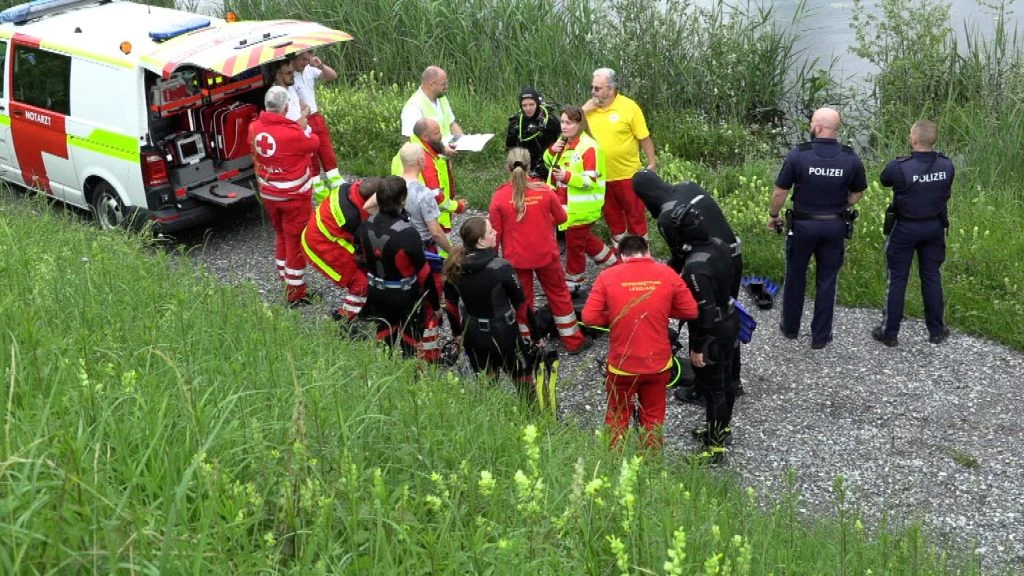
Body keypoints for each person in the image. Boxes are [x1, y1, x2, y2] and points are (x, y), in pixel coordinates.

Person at [632, 170, 745, 399]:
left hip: (707, 267)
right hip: (731, 256)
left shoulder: (667, 216)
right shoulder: (689, 186)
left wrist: (657, 281)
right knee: (726, 314)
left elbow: (680, 258)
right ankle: (733, 382)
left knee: (701, 319)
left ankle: (703, 388)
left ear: (644, 198)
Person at [581, 236, 698, 448]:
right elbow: (690, 310)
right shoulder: (666, 273)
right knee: (653, 418)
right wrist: (658, 310)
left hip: (622, 366)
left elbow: (589, 317)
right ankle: (650, 468)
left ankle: (613, 467)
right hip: (658, 364)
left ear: (621, 255)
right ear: (648, 251)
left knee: (617, 415)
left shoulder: (608, 276)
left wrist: (617, 316)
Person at [768, 107, 867, 349]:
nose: (811, 126)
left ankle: (790, 328)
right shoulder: (850, 157)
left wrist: (773, 215)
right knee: (827, 280)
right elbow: (858, 192)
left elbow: (781, 190)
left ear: (819, 127)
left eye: (812, 122)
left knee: (795, 276)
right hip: (834, 225)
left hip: (802, 225)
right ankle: (820, 337)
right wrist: (841, 205)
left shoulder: (799, 155)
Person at [490, 147, 592, 355]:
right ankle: (573, 341)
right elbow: (563, 219)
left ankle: (529, 344)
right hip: (546, 255)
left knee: (522, 301)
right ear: (529, 167)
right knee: (559, 295)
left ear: (507, 168)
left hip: (516, 259)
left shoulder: (499, 197)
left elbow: (494, 237)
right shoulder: (544, 191)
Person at [872, 120, 955, 346]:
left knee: (897, 278)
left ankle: (889, 333)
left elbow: (883, 180)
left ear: (914, 139)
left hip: (905, 228)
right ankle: (937, 331)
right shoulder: (947, 165)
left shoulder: (900, 166)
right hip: (934, 228)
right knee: (931, 276)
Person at [670, 203, 741, 465]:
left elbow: (706, 311)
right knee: (727, 382)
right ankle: (719, 430)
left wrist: (698, 346)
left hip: (714, 329)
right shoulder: (720, 245)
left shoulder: (695, 267)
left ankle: (714, 449)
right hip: (731, 318)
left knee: (714, 389)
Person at [443, 216, 535, 396]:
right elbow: (522, 306)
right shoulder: (501, 267)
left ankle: (494, 420)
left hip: (473, 334)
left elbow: (450, 306)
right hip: (504, 333)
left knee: (488, 386)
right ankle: (531, 417)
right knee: (522, 380)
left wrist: (457, 335)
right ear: (481, 241)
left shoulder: (454, 265)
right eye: (491, 232)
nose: (495, 234)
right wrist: (536, 336)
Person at [356, 176, 441, 361]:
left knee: (383, 340)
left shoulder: (366, 225)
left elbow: (361, 257)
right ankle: (410, 381)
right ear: (402, 200)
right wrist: (434, 305)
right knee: (410, 346)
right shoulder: (408, 233)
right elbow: (424, 273)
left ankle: (382, 377)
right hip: (404, 297)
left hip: (376, 293)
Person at [248, 86, 320, 306]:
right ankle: (296, 292)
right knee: (295, 241)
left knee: (280, 235)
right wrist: (305, 128)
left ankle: (285, 279)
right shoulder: (293, 132)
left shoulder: (254, 128)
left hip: (269, 195)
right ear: (286, 107)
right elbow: (314, 144)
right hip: (294, 198)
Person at [544, 105, 618, 294]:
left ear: (579, 124)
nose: (564, 126)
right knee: (583, 240)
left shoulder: (589, 148)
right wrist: (552, 150)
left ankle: (574, 280)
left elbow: (590, 180)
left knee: (575, 244)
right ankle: (613, 264)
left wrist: (567, 177)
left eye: (568, 123)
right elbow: (547, 163)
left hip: (582, 207)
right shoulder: (564, 142)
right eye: (562, 122)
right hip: (566, 205)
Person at [583, 68, 657, 245]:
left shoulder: (629, 107)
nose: (593, 92)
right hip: (601, 175)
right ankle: (621, 255)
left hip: (627, 174)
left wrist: (652, 163)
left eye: (598, 88)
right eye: (592, 87)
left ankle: (641, 254)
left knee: (635, 216)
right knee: (612, 217)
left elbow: (644, 138)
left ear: (611, 88)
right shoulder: (589, 109)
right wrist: (582, 111)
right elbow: (571, 130)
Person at [301, 177, 380, 322]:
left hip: (321, 233)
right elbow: (367, 247)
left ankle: (364, 307)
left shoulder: (348, 189)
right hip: (322, 246)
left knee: (368, 272)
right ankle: (344, 322)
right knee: (361, 284)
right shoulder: (353, 218)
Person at [390, 118, 467, 239]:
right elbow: (436, 198)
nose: (441, 135)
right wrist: (457, 206)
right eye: (437, 133)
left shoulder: (407, 149)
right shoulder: (425, 160)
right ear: (425, 137)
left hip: (406, 212)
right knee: (442, 254)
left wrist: (442, 151)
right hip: (431, 221)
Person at [398, 141, 453, 298]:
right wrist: (450, 251)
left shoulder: (391, 185)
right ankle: (432, 318)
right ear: (420, 161)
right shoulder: (424, 193)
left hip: (398, 246)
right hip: (422, 249)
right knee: (430, 287)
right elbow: (435, 232)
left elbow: (371, 207)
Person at [291, 49, 344, 203]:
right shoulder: (289, 77)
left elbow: (332, 76)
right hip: (303, 120)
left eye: (308, 59)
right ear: (294, 59)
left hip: (316, 117)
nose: (306, 62)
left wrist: (320, 66)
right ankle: (321, 195)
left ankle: (338, 189)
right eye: (303, 59)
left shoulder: (309, 70)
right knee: (311, 158)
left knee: (327, 152)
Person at [401, 66, 463, 155]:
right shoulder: (413, 106)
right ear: (431, 85)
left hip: (443, 159)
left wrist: (463, 141)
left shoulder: (442, 99)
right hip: (426, 161)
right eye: (443, 84)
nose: (446, 87)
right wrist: (443, 150)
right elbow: (411, 140)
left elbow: (452, 123)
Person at [505, 86, 560, 179]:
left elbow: (557, 144)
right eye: (524, 105)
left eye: (531, 104)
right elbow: (510, 147)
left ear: (537, 103)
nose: (528, 108)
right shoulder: (516, 122)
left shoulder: (549, 120)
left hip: (545, 162)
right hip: (524, 164)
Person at [269, 58, 308, 126]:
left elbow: (307, 107)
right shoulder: (276, 96)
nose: (293, 75)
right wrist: (304, 114)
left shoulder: (290, 87)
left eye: (293, 72)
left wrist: (303, 114)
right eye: (289, 73)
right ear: (278, 75)